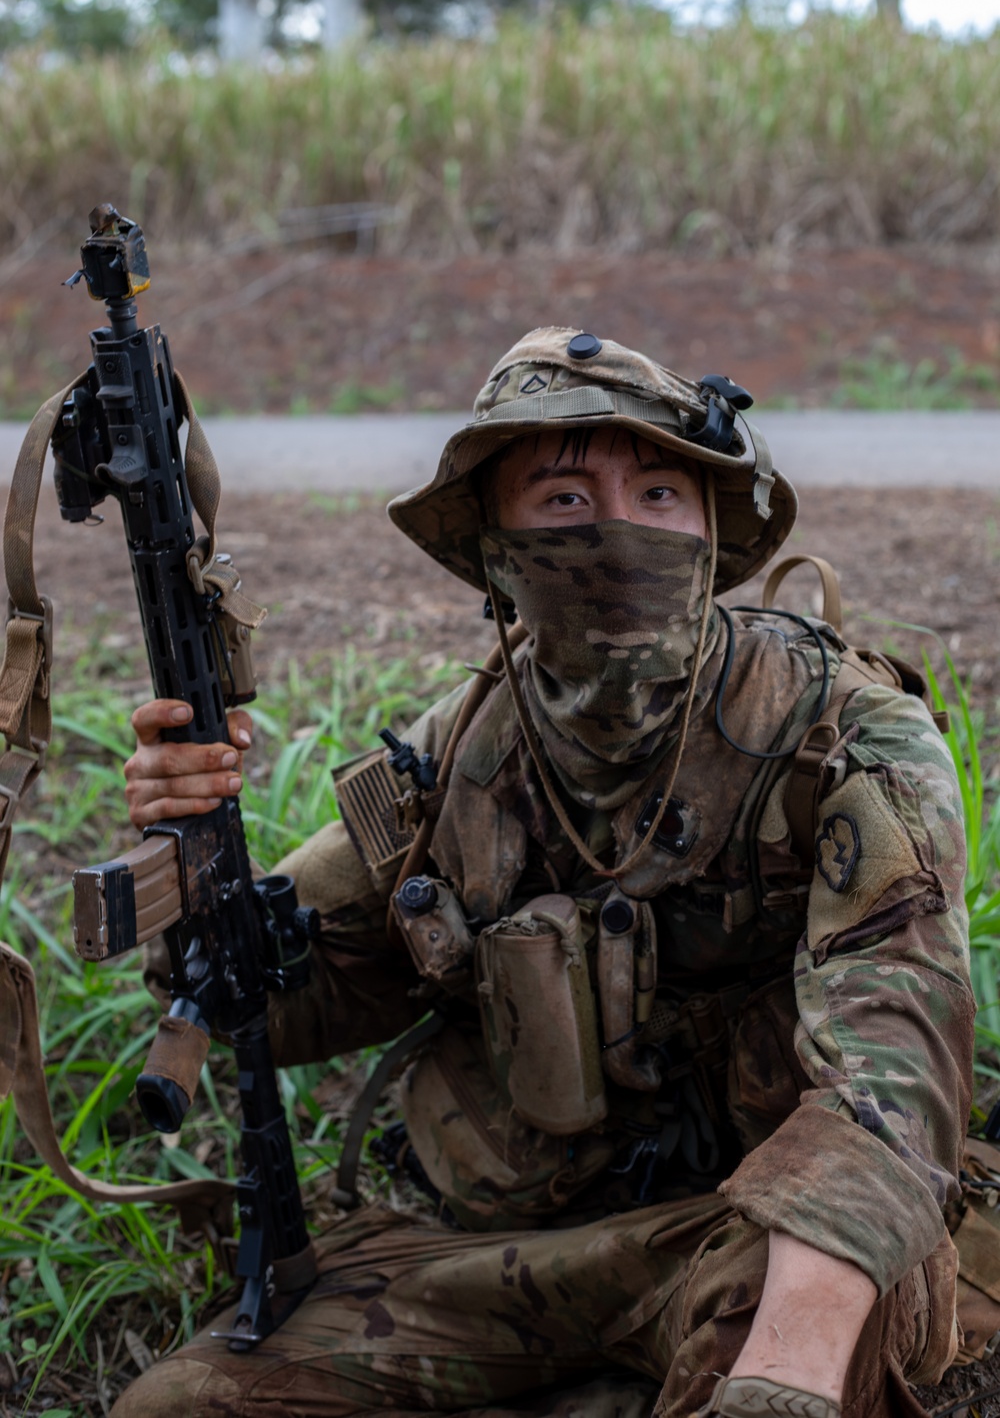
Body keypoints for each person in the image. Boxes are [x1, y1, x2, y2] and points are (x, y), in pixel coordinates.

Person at [112, 329, 974, 1418]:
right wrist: (196, 856)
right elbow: (278, 1000)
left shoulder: (842, 736)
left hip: (757, 1246)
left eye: (658, 493)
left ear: (711, 528)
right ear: (497, 551)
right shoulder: (452, 760)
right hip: (513, 1263)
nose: (616, 530)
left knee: (816, 1327)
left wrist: (785, 1374)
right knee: (185, 1404)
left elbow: (895, 1061)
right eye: (564, 499)